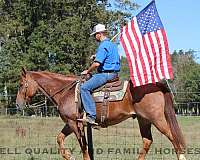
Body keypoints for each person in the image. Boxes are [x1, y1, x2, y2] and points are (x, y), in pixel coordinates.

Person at [80, 24, 121, 125]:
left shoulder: (103, 46)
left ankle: (91, 116)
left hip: (106, 74)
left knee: (84, 88)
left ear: (99, 34)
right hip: (114, 73)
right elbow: (110, 58)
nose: (95, 37)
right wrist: (96, 56)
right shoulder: (112, 45)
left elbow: (97, 64)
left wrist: (87, 71)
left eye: (95, 35)